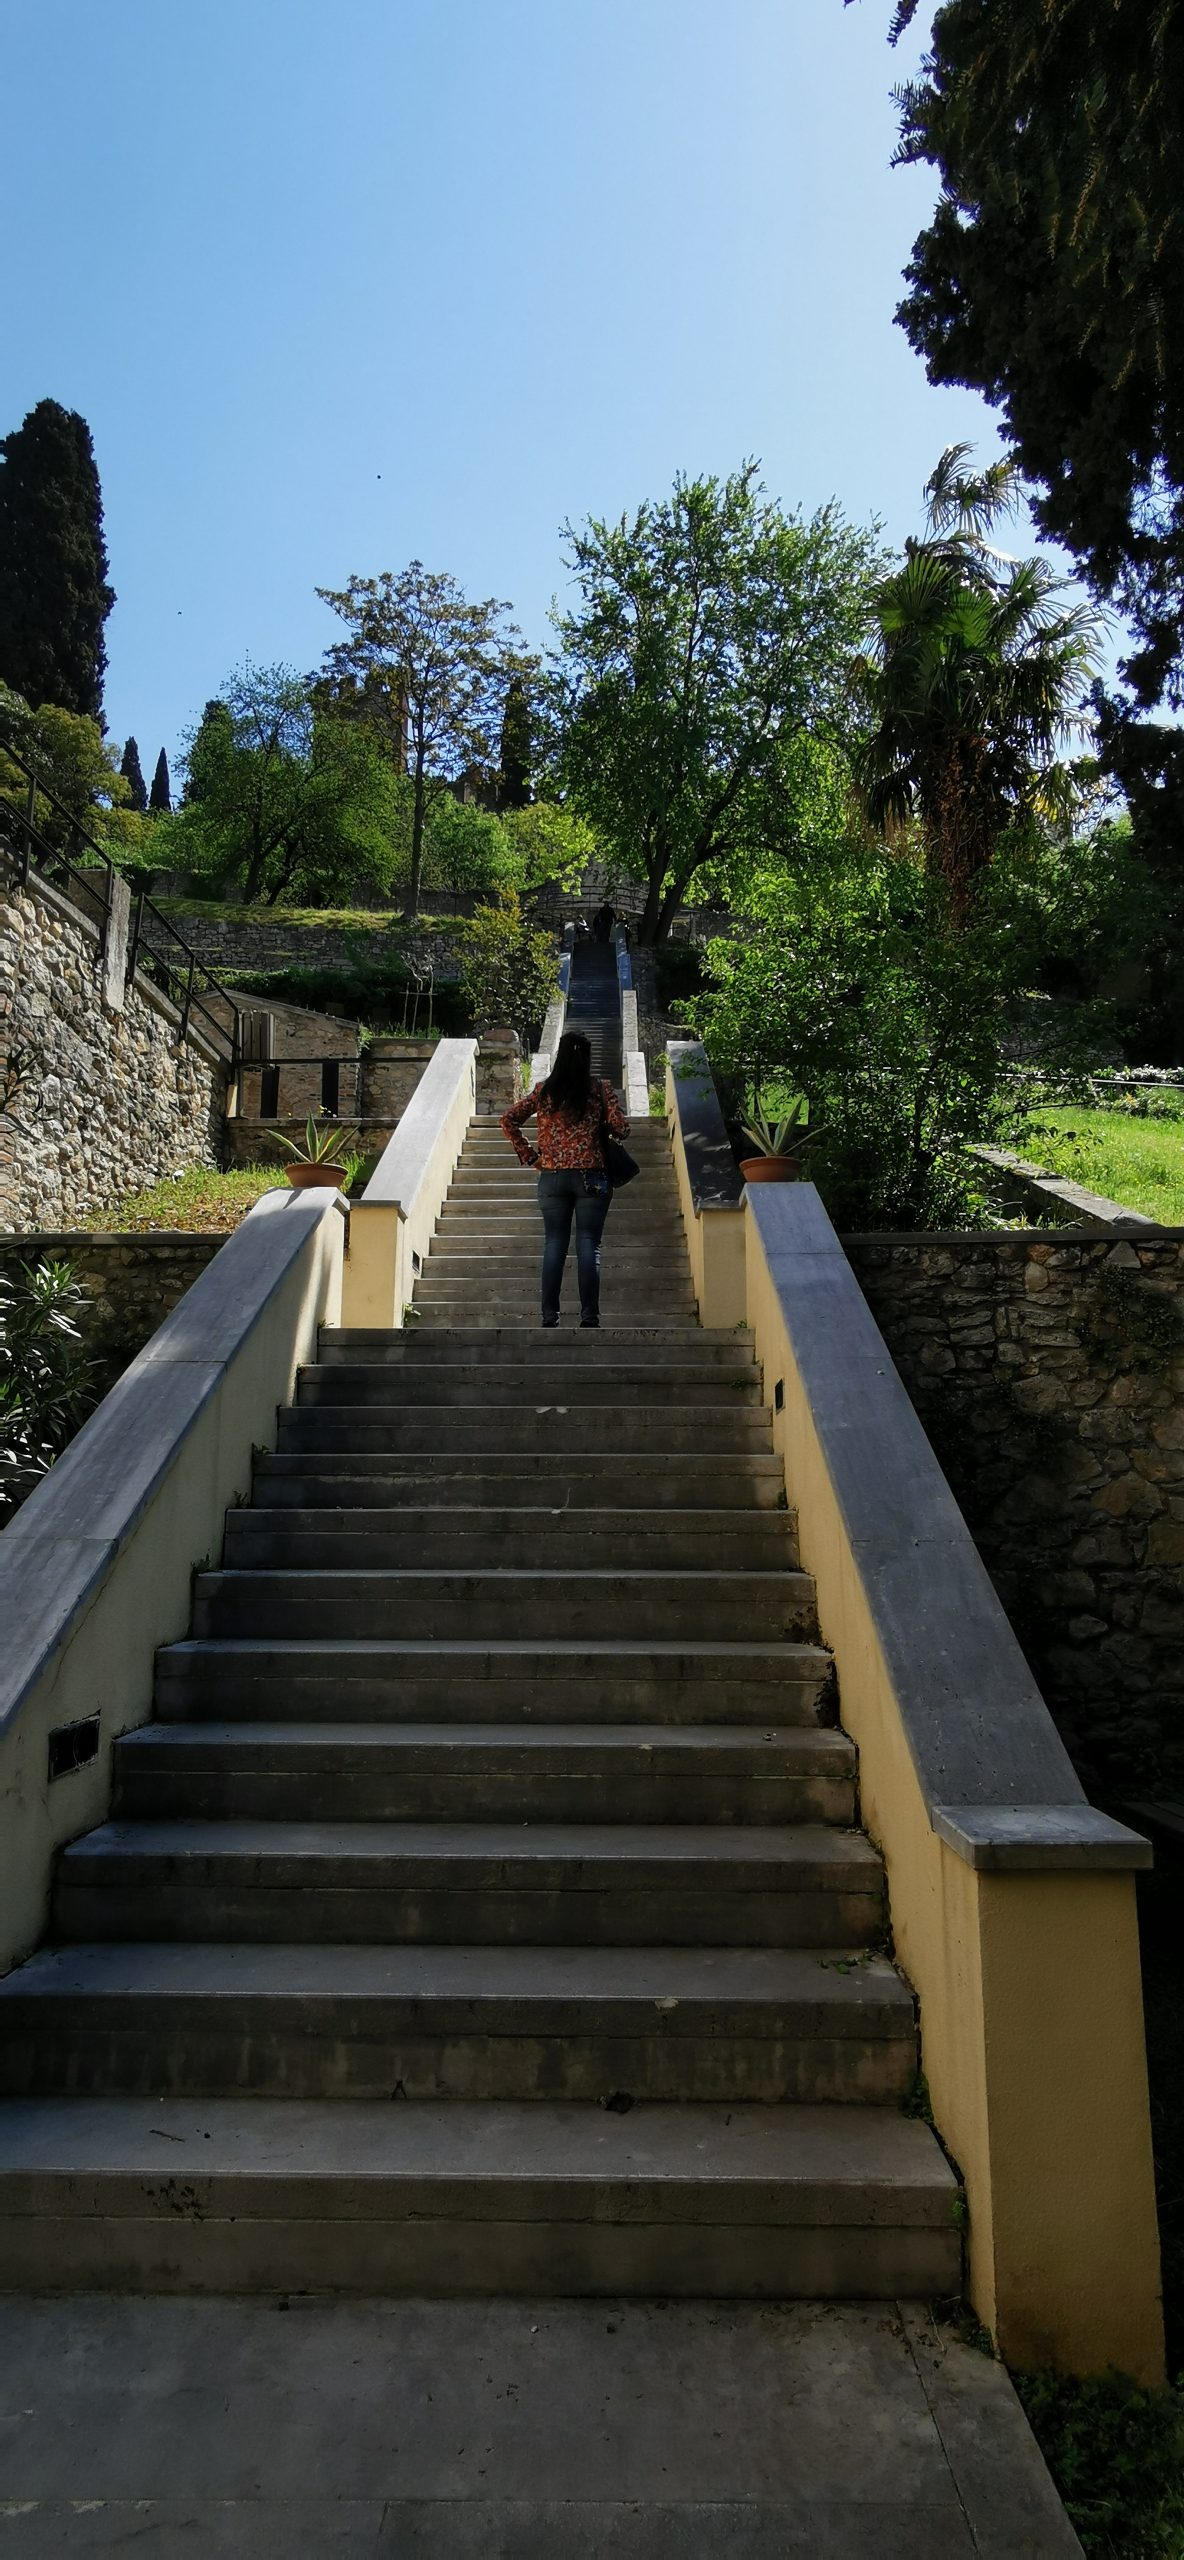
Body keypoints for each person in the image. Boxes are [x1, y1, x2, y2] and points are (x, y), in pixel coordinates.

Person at [501, 1030, 629, 1328]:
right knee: (589, 1244)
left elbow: (508, 1119)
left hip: (552, 1176)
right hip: (592, 1176)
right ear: (588, 1056)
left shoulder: (543, 1091)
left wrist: (531, 1156)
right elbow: (621, 1129)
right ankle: (589, 1317)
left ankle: (549, 1316)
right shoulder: (600, 1089)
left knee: (554, 1244)